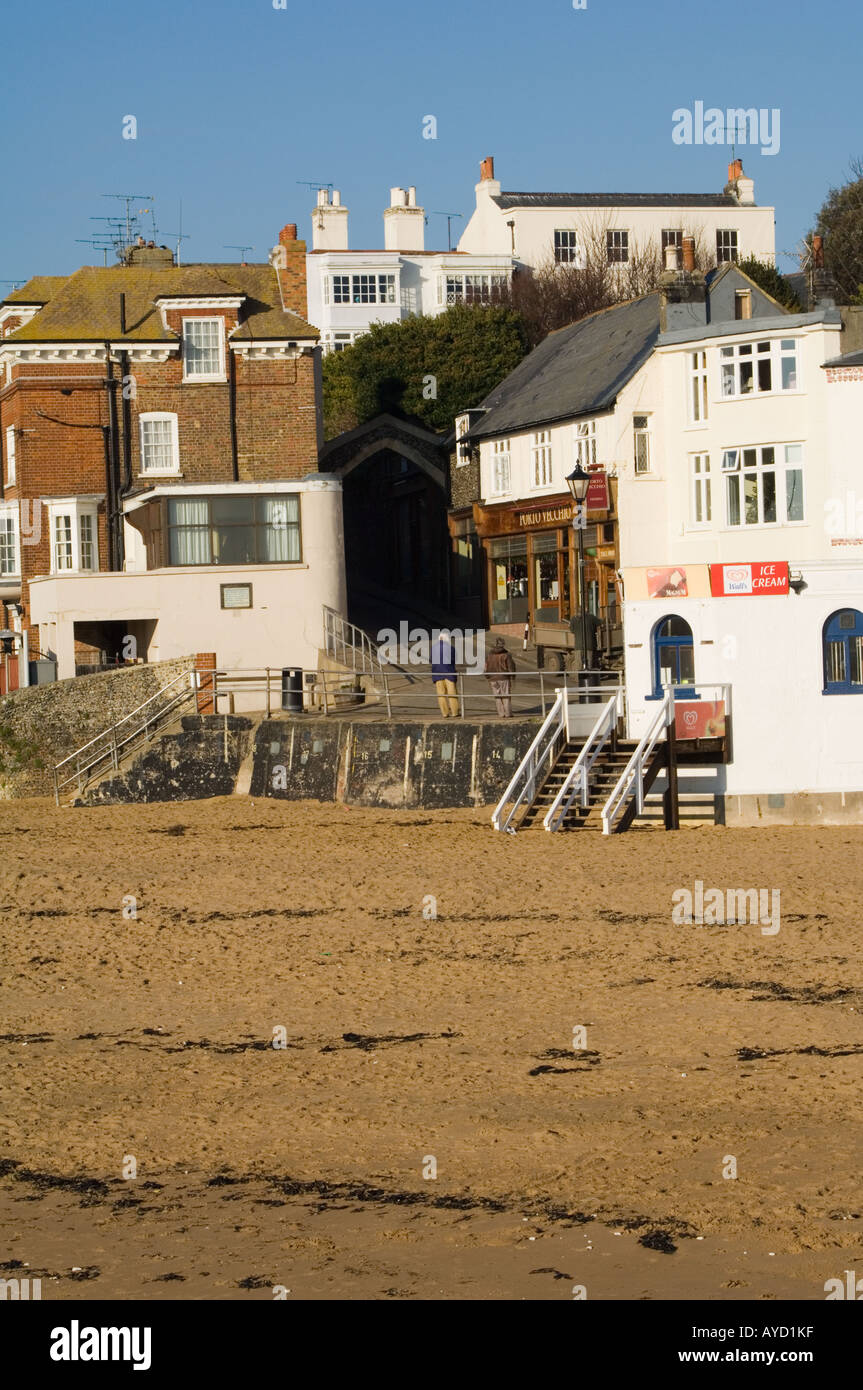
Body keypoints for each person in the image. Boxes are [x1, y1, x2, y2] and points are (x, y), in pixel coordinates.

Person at [485, 636, 516, 717]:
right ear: (503, 645)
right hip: (504, 678)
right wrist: (513, 677)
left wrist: (488, 677)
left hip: (492, 679)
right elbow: (511, 667)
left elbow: (486, 668)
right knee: (506, 695)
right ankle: (508, 713)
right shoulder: (506, 654)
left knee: (497, 697)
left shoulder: (489, 655)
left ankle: (501, 714)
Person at [431, 630, 459, 717]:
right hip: (449, 673)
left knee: (441, 694)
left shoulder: (433, 648)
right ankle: (455, 712)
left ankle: (445, 713)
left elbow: (431, 659)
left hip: (437, 673)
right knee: (452, 694)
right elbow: (454, 659)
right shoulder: (451, 648)